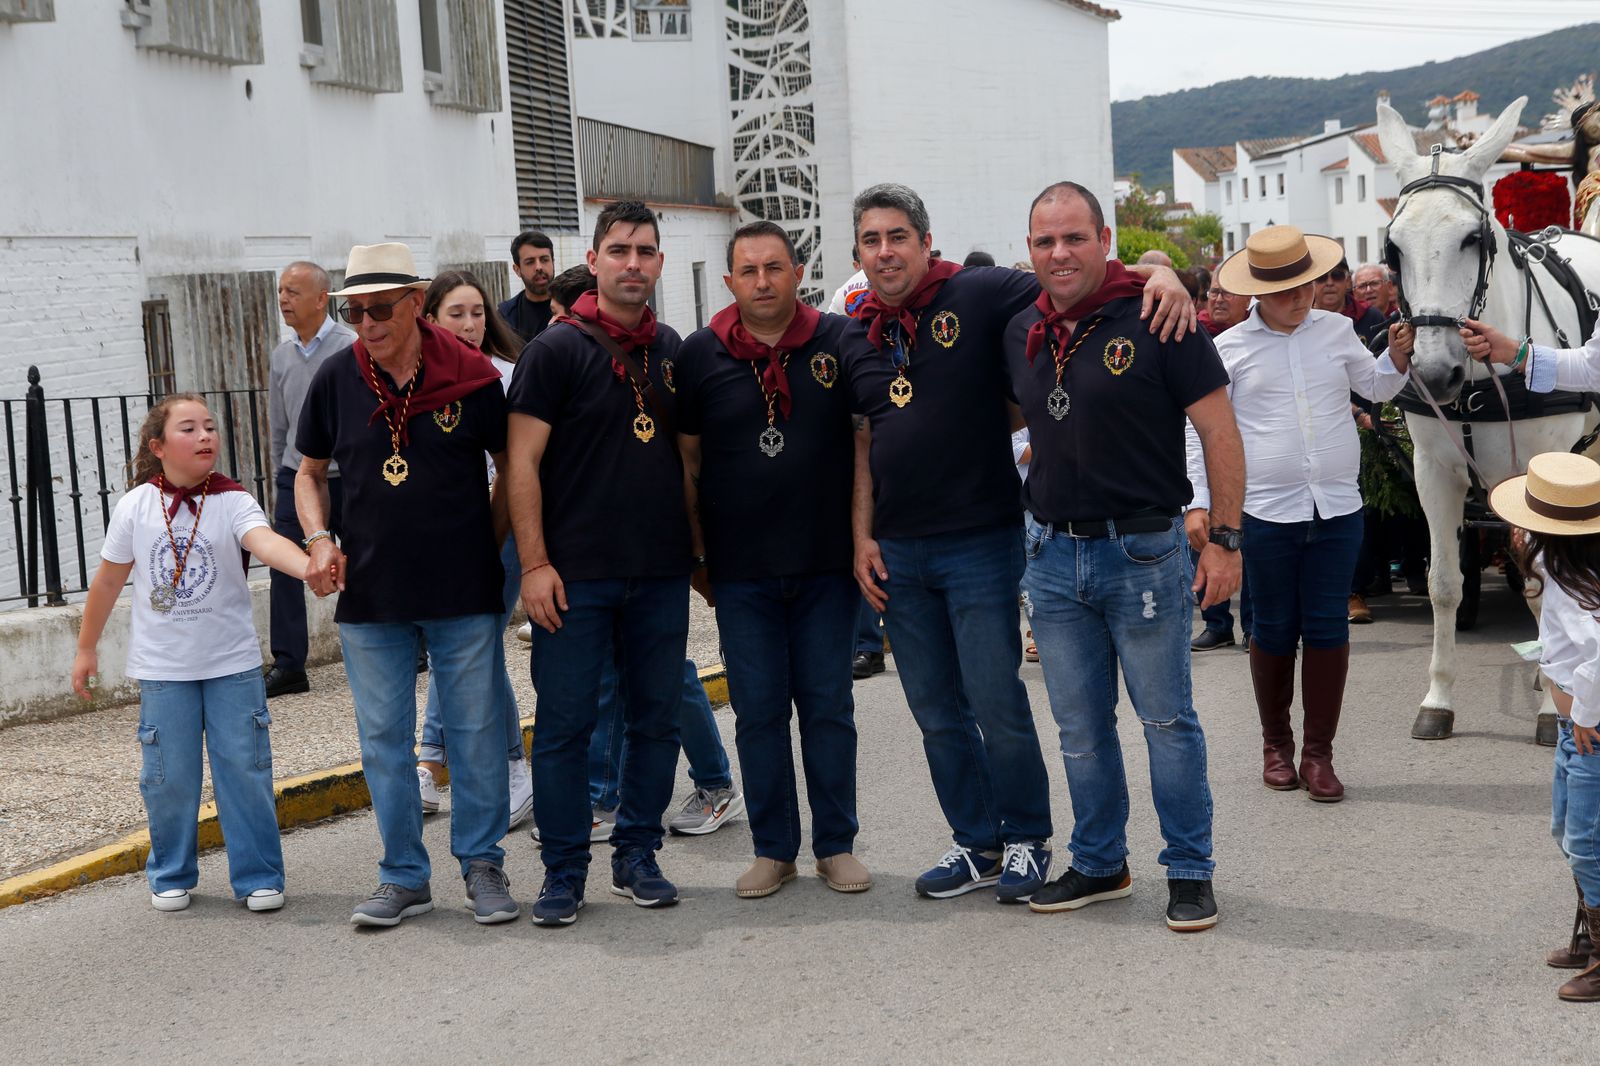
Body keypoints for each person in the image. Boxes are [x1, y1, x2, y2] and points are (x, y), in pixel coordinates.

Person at [845, 181, 1194, 904]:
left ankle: (1028, 840)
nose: (886, 251)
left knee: (995, 700)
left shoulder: (976, 294)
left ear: (925, 240)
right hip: (898, 553)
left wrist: (1161, 274)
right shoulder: (855, 333)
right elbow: (863, 440)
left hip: (980, 541)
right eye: (872, 240)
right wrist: (860, 537)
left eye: (897, 237)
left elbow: (1070, 275)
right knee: (934, 711)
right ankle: (975, 845)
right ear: (859, 251)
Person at [1005, 181, 1240, 932]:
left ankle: (1190, 869)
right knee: (1079, 727)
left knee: (1167, 721)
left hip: (1142, 551)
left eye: (1074, 237)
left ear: (1105, 240)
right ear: (1030, 251)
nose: (1060, 253)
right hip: (1050, 556)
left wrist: (1228, 540)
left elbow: (1221, 433)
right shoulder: (1022, 328)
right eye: (1045, 241)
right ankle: (1101, 863)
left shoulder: (1159, 314)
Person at [297, 242, 520, 928]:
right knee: (383, 740)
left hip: (462, 588)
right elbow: (309, 472)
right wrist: (318, 538)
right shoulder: (335, 379)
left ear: (415, 305)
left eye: (379, 308)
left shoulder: (473, 375)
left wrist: (489, 539)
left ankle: (482, 864)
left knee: (477, 734)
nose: (366, 322)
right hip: (373, 596)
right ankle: (402, 876)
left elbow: (513, 464)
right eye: (355, 310)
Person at [506, 201, 691, 926]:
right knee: (564, 726)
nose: (634, 263)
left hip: (658, 571)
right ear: (597, 256)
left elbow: (687, 461)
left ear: (659, 264)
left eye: (646, 251)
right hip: (572, 577)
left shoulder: (670, 350)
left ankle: (637, 854)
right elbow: (520, 464)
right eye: (620, 250)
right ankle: (562, 871)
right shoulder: (554, 351)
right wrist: (533, 565)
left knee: (655, 720)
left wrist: (696, 555)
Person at [675, 220, 871, 899]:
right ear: (729, 281)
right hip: (741, 571)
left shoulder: (838, 341)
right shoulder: (700, 355)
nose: (763, 281)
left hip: (824, 566)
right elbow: (688, 461)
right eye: (748, 270)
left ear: (797, 273)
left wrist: (863, 537)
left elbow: (865, 444)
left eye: (775, 268)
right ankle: (774, 849)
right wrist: (698, 551)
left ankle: (835, 844)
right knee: (758, 711)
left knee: (827, 707)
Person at [72, 395, 314, 913]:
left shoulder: (232, 499)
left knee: (245, 771)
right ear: (158, 447)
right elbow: (110, 580)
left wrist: (308, 565)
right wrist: (86, 648)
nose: (206, 436)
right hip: (164, 672)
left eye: (209, 426)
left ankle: (258, 876)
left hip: (232, 666)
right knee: (168, 779)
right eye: (189, 428)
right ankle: (171, 872)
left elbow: (265, 542)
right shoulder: (135, 506)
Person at [1200, 225, 1411, 804]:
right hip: (1265, 512)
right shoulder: (1228, 348)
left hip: (1337, 507)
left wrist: (1393, 360)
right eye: (1286, 289)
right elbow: (1202, 435)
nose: (1302, 296)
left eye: (1307, 284)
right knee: (1271, 628)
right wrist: (1203, 505)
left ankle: (1319, 754)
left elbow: (1374, 387)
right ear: (1256, 293)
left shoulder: (1339, 331)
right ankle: (1276, 746)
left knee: (1327, 627)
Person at [414, 271, 533, 832]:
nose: (469, 324)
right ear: (431, 318)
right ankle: (438, 760)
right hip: (441, 538)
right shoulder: (421, 379)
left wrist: (495, 535)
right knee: (455, 649)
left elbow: (515, 469)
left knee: (474, 648)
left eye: (478, 313)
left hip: (499, 532)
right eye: (456, 314)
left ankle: (499, 765)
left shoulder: (506, 376)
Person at [1494, 451, 1600, 1001]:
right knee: (1568, 834)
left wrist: (1582, 712)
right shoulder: (1562, 565)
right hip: (1573, 734)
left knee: (1585, 841)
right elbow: (1532, 554)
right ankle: (1588, 928)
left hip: (1590, 733)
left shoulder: (1584, 595)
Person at [264, 261, 354, 698]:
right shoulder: (281, 357)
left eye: (293, 292)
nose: (284, 299)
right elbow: (279, 426)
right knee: (283, 565)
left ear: (322, 298)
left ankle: (408, 643)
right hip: (296, 476)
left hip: (347, 474)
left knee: (368, 557)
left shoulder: (350, 345)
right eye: (281, 291)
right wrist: (281, 472)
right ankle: (289, 664)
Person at [1313, 257, 1386, 346]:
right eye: (1321, 277)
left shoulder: (1371, 317)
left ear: (1348, 282)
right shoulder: (1300, 320)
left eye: (1337, 275)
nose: (1329, 283)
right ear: (1312, 283)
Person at [499, 231, 556, 342]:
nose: (539, 267)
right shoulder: (506, 316)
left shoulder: (573, 307)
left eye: (544, 260)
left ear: (553, 262)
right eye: (530, 262)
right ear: (517, 270)